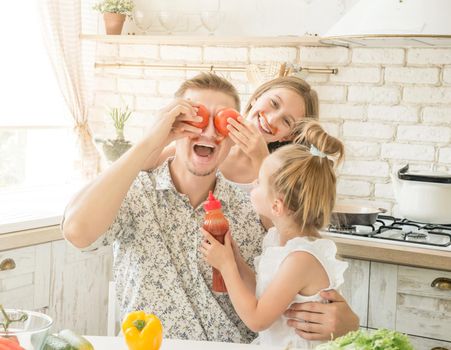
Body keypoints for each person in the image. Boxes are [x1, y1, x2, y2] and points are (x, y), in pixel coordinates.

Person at [62, 73, 358, 342]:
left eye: (220, 123)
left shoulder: (261, 207)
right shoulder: (138, 190)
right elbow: (77, 232)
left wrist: (347, 322)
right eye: (197, 120)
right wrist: (152, 138)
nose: (207, 132)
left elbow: (304, 271)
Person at [200, 119, 348, 348]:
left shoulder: (301, 259)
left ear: (277, 207)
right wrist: (236, 261)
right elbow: (263, 292)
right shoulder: (278, 242)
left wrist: (227, 267)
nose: (253, 184)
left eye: (259, 183)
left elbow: (258, 319)